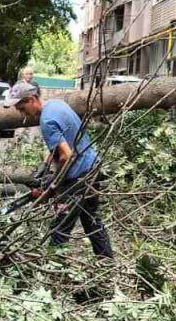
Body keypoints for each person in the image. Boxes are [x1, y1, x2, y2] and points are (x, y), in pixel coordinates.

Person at [12, 90, 112, 258]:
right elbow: (62, 145)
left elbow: (66, 155)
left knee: (60, 227)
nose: (23, 114)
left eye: (22, 108)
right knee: (91, 220)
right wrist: (44, 167)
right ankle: (107, 261)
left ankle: (53, 265)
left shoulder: (46, 120)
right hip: (91, 168)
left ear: (31, 99)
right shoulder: (57, 105)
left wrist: (54, 181)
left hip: (76, 176)